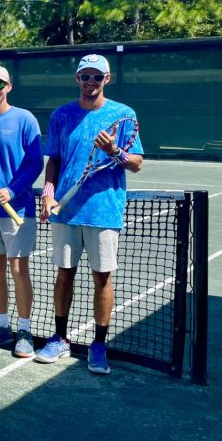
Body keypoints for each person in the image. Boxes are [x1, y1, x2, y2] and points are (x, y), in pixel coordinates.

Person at [37, 54, 144, 375]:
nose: (91, 82)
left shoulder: (123, 114)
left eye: (97, 77)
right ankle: (59, 338)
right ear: (77, 79)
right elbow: (53, 159)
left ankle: (99, 345)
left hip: (104, 210)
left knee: (102, 278)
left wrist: (114, 151)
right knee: (64, 274)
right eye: (85, 76)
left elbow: (137, 163)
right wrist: (48, 192)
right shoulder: (62, 115)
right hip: (65, 211)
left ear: (106, 79)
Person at [0, 65, 44, 358]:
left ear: (9, 87)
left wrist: (13, 191)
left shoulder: (25, 119)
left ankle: (24, 330)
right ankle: (2, 328)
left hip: (19, 209)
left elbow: (35, 163)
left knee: (18, 269)